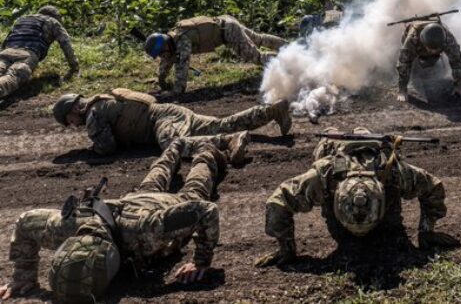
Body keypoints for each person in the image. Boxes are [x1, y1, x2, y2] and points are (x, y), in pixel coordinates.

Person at [0, 135, 247, 301]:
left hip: (161, 209)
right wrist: (23, 277)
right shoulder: (64, 228)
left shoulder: (149, 230)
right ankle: (175, 146)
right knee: (157, 174)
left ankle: (207, 151)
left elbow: (205, 211)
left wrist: (201, 262)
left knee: (197, 184)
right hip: (131, 202)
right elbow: (26, 221)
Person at [255, 127, 459, 267]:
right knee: (326, 143)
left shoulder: (393, 172)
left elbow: (433, 187)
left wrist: (427, 232)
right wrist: (286, 249)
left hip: (379, 178)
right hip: (337, 152)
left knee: (372, 139)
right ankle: (340, 135)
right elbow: (279, 201)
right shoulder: (324, 175)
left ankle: (363, 133)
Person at [52, 88, 291, 155]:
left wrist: (90, 150)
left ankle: (229, 142)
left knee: (171, 145)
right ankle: (272, 111)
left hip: (163, 119)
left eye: (69, 120)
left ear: (74, 109)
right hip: (170, 112)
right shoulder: (102, 102)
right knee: (224, 123)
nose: (72, 125)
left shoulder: (94, 114)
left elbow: (106, 148)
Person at [144, 15, 286, 97]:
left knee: (256, 57)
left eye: (161, 53)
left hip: (228, 32)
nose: (162, 56)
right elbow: (166, 63)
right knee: (258, 39)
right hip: (226, 22)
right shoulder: (171, 41)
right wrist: (162, 82)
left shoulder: (182, 41)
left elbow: (182, 69)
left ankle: (287, 61)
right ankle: (289, 47)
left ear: (165, 46)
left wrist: (175, 91)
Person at [0, 6, 79, 99]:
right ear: (56, 17)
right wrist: (74, 65)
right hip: (27, 54)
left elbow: (8, 39)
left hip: (6, 51)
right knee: (13, 77)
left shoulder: (23, 19)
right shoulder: (52, 21)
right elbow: (65, 43)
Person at [396, 21, 461, 102]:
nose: (434, 52)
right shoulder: (412, 41)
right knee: (413, 69)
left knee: (436, 67)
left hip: (433, 48)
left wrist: (459, 86)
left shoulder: (448, 40)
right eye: (431, 49)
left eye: (437, 50)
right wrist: (402, 90)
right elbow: (403, 65)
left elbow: (457, 61)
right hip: (417, 50)